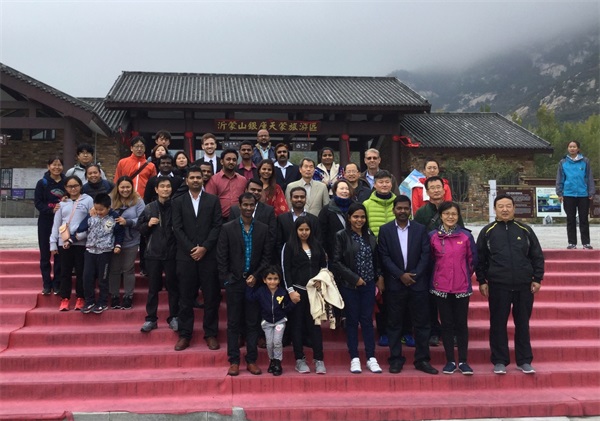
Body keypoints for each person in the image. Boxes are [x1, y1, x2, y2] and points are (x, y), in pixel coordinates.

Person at [476, 194, 544, 375]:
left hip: (524, 285)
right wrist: (482, 281)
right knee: (498, 323)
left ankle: (524, 360)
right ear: (495, 209)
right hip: (498, 285)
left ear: (514, 208)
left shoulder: (525, 230)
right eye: (501, 206)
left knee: (523, 323)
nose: (504, 209)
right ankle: (499, 360)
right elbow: (480, 259)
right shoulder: (488, 231)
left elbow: (537, 256)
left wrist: (537, 278)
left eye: (508, 206)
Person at [378, 195, 438, 375]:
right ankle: (396, 359)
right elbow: (384, 256)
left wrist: (415, 275)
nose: (402, 211)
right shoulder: (385, 230)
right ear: (393, 210)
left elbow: (426, 255)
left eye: (406, 208)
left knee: (422, 324)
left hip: (417, 284)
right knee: (394, 324)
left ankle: (422, 360)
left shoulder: (420, 229)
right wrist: (400, 275)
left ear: (410, 210)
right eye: (399, 208)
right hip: (395, 285)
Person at [217, 192, 272, 376]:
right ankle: (233, 361)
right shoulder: (227, 228)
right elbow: (222, 257)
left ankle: (251, 360)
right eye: (245, 205)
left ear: (255, 206)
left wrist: (256, 276)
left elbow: (266, 257)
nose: (248, 208)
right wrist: (227, 279)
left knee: (252, 323)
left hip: (254, 284)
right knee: (233, 323)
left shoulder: (263, 229)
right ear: (239, 206)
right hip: (234, 283)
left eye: (251, 205)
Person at [172, 166, 223, 352]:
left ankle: (210, 333)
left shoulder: (213, 200)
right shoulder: (178, 201)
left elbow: (217, 226)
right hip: (186, 257)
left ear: (203, 180)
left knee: (211, 297)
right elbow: (177, 228)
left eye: (198, 177)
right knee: (185, 298)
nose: (195, 180)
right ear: (186, 180)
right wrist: (192, 249)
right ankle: (185, 334)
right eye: (192, 177)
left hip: (208, 256)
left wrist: (204, 248)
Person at [330, 203, 383, 374]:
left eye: (362, 217)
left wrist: (378, 277)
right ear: (349, 218)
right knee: (352, 321)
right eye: (355, 217)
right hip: (349, 285)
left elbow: (376, 259)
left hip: (368, 285)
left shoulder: (370, 235)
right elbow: (336, 262)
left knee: (367, 321)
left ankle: (371, 357)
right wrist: (354, 278)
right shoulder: (341, 235)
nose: (359, 220)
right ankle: (354, 357)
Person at [414, 175, 465, 346]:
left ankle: (453, 332)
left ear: (444, 190)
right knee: (431, 299)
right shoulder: (422, 213)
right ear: (427, 192)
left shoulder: (452, 208)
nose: (436, 190)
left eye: (439, 187)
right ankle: (434, 331)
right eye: (432, 188)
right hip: (430, 261)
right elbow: (418, 237)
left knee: (452, 299)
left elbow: (461, 233)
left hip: (451, 262)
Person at [428, 201, 477, 375]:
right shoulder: (433, 236)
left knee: (461, 324)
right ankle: (450, 360)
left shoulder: (466, 236)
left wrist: (462, 275)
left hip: (461, 287)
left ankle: (463, 360)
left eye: (454, 214)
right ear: (441, 216)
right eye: (447, 214)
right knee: (446, 324)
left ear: (458, 216)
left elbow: (472, 260)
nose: (450, 217)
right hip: (440, 286)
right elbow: (431, 260)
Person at [282, 217, 328, 374]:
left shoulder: (317, 246)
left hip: (314, 292)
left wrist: (321, 282)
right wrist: (290, 291)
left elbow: (324, 267)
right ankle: (299, 360)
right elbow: (285, 270)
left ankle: (319, 360)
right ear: (295, 230)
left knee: (315, 326)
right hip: (297, 292)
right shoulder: (289, 246)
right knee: (297, 326)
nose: (304, 233)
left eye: (307, 229)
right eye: (301, 230)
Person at [137, 178, 180, 333]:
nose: (165, 189)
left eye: (168, 186)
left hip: (172, 253)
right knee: (153, 288)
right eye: (162, 186)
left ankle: (174, 317)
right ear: (156, 189)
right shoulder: (149, 208)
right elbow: (139, 228)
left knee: (173, 287)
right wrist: (148, 224)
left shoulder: (177, 207)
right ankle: (151, 319)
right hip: (153, 253)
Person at [73, 193, 125, 314]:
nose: (99, 212)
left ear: (108, 208)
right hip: (90, 251)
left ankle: (102, 302)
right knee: (87, 277)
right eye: (96, 209)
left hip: (105, 252)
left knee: (103, 278)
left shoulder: (114, 218)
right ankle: (89, 301)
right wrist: (89, 215)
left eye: (101, 210)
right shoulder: (92, 216)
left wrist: (118, 245)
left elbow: (120, 233)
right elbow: (81, 228)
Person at [50, 175, 93, 311]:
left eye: (76, 186)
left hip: (81, 242)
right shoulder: (62, 203)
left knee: (81, 271)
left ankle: (80, 298)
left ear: (80, 186)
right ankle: (65, 298)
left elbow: (92, 221)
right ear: (65, 188)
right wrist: (53, 243)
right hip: (64, 242)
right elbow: (56, 224)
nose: (73, 189)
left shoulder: (88, 200)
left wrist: (80, 236)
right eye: (70, 186)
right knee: (65, 271)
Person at [246, 265, 294, 376]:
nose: (272, 282)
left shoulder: (282, 292)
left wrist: (293, 302)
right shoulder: (261, 292)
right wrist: (249, 287)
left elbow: (287, 307)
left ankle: (278, 362)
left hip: (280, 321)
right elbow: (250, 298)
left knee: (277, 341)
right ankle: (272, 361)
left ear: (279, 280)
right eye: (269, 279)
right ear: (264, 280)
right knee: (269, 343)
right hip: (267, 323)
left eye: (275, 279)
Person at [108, 176, 145, 310]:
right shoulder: (110, 199)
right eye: (122, 187)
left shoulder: (138, 201)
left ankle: (128, 296)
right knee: (114, 269)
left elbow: (142, 219)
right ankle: (114, 295)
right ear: (117, 188)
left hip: (131, 240)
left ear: (132, 187)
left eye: (128, 187)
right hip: (113, 240)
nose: (125, 190)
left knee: (128, 269)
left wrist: (128, 222)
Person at [556, 140, 595, 250]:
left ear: (578, 149)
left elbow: (589, 177)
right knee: (570, 219)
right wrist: (559, 193)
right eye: (570, 147)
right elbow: (560, 178)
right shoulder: (563, 162)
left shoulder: (585, 161)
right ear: (568, 148)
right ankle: (572, 243)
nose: (572, 148)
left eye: (574, 146)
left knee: (584, 219)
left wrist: (591, 192)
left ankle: (586, 243)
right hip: (568, 194)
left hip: (583, 194)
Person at [35, 157, 66, 295]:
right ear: (48, 166)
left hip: (62, 223)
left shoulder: (66, 182)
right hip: (45, 222)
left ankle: (57, 284)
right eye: (54, 165)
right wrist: (50, 210)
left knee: (60, 254)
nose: (56, 167)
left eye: (59, 165)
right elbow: (38, 203)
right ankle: (47, 284)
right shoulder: (42, 183)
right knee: (45, 254)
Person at [276, 186, 322, 258]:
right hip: (288, 258)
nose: (299, 199)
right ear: (290, 199)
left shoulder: (314, 219)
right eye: (296, 197)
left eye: (302, 197)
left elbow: (318, 242)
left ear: (305, 199)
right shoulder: (282, 219)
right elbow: (278, 243)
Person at [229, 178, 276, 243]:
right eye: (253, 189)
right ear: (246, 190)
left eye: (259, 190)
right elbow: (230, 233)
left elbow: (271, 235)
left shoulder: (269, 210)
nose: (256, 192)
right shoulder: (235, 210)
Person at [204, 149, 247, 220]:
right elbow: (209, 202)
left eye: (234, 160)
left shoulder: (243, 180)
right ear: (221, 161)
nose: (231, 162)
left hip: (239, 219)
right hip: (220, 219)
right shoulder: (213, 180)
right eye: (228, 159)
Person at [318, 179, 354, 259]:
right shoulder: (326, 210)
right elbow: (321, 232)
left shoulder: (355, 207)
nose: (344, 191)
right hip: (333, 252)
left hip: (353, 250)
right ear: (335, 191)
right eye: (341, 188)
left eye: (347, 189)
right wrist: (324, 250)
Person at [362, 170, 397, 237]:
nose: (384, 185)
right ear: (374, 184)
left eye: (387, 182)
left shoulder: (398, 203)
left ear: (391, 184)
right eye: (381, 182)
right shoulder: (367, 205)